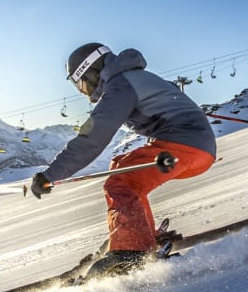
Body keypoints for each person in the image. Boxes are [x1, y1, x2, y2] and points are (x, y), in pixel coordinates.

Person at [31, 43, 217, 276]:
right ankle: (140, 235)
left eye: (80, 83)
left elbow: (93, 137)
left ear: (91, 72)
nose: (82, 91)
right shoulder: (134, 77)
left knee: (121, 182)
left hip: (184, 145)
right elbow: (171, 94)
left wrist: (50, 175)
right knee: (120, 167)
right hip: (196, 147)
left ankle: (132, 249)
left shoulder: (120, 86)